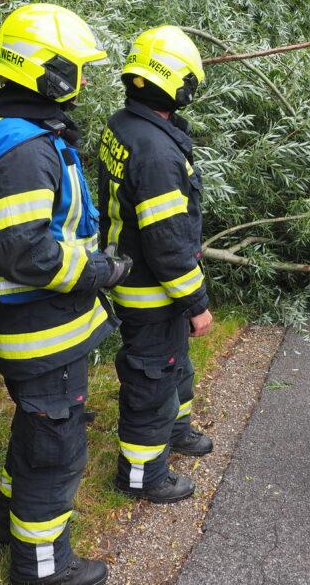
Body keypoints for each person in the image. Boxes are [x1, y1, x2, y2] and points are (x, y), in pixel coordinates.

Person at [0, 3, 132, 585]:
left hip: (30, 325)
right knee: (55, 449)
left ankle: (8, 525)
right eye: (77, 69)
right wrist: (101, 270)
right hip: (39, 331)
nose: (83, 81)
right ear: (49, 71)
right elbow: (27, 254)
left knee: (36, 431)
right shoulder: (27, 149)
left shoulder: (19, 130)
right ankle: (42, 568)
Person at [97, 25, 213, 504]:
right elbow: (166, 243)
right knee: (152, 377)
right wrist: (196, 302)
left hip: (140, 273)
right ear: (177, 84)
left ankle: (176, 429)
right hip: (152, 288)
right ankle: (142, 474)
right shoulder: (157, 152)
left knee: (173, 362)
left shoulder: (124, 124)